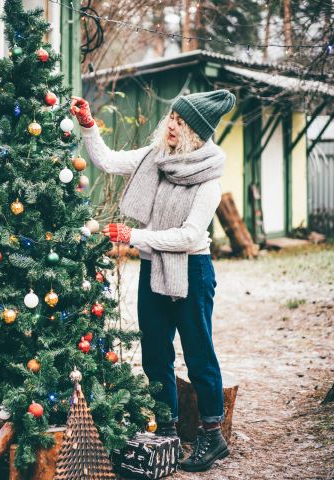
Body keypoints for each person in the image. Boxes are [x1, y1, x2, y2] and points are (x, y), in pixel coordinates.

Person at [71, 90, 235, 473]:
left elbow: (189, 237)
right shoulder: (155, 157)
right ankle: (167, 431)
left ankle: (212, 435)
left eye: (182, 122)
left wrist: (133, 237)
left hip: (191, 270)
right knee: (155, 355)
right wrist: (88, 126)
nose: (172, 125)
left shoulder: (207, 179)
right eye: (173, 118)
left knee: (198, 353)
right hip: (152, 268)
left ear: (197, 133)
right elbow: (108, 161)